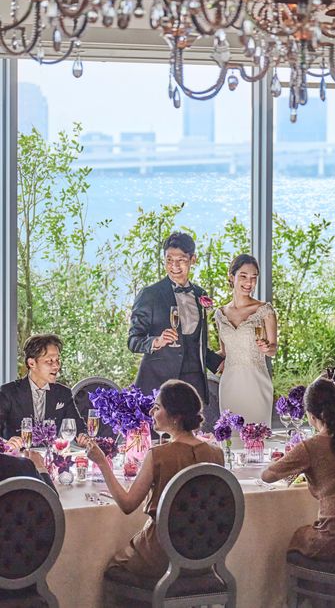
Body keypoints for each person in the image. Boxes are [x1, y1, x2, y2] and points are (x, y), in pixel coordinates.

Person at [86, 380, 223, 578]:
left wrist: (102, 462)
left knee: (108, 566)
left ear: (175, 417)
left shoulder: (158, 455)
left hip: (162, 555)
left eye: (157, 407)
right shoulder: (217, 453)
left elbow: (127, 505)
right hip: (205, 555)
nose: (150, 412)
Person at [261, 377, 335, 561]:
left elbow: (267, 476)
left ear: (310, 416)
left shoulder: (309, 447)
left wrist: (290, 463)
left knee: (296, 536)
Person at [128, 231, 223, 405]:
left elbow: (197, 343)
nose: (174, 266)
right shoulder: (150, 294)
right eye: (169, 260)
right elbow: (133, 341)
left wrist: (222, 365)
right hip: (159, 384)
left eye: (181, 260)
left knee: (193, 424)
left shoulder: (200, 294)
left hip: (194, 384)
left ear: (193, 259)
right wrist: (157, 341)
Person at [214, 254, 277, 426]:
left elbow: (273, 348)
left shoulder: (265, 310)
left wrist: (267, 348)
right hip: (229, 387)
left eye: (253, 277)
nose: (249, 282)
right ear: (231, 277)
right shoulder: (220, 314)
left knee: (257, 435)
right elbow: (224, 352)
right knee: (230, 436)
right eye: (243, 276)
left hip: (257, 384)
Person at [0, 334, 87, 444]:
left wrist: (83, 437)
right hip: (17, 454)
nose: (56, 366)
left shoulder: (63, 393)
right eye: (50, 361)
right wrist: (6, 444)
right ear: (32, 363)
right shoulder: (8, 392)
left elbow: (79, 428)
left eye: (57, 360)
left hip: (51, 454)